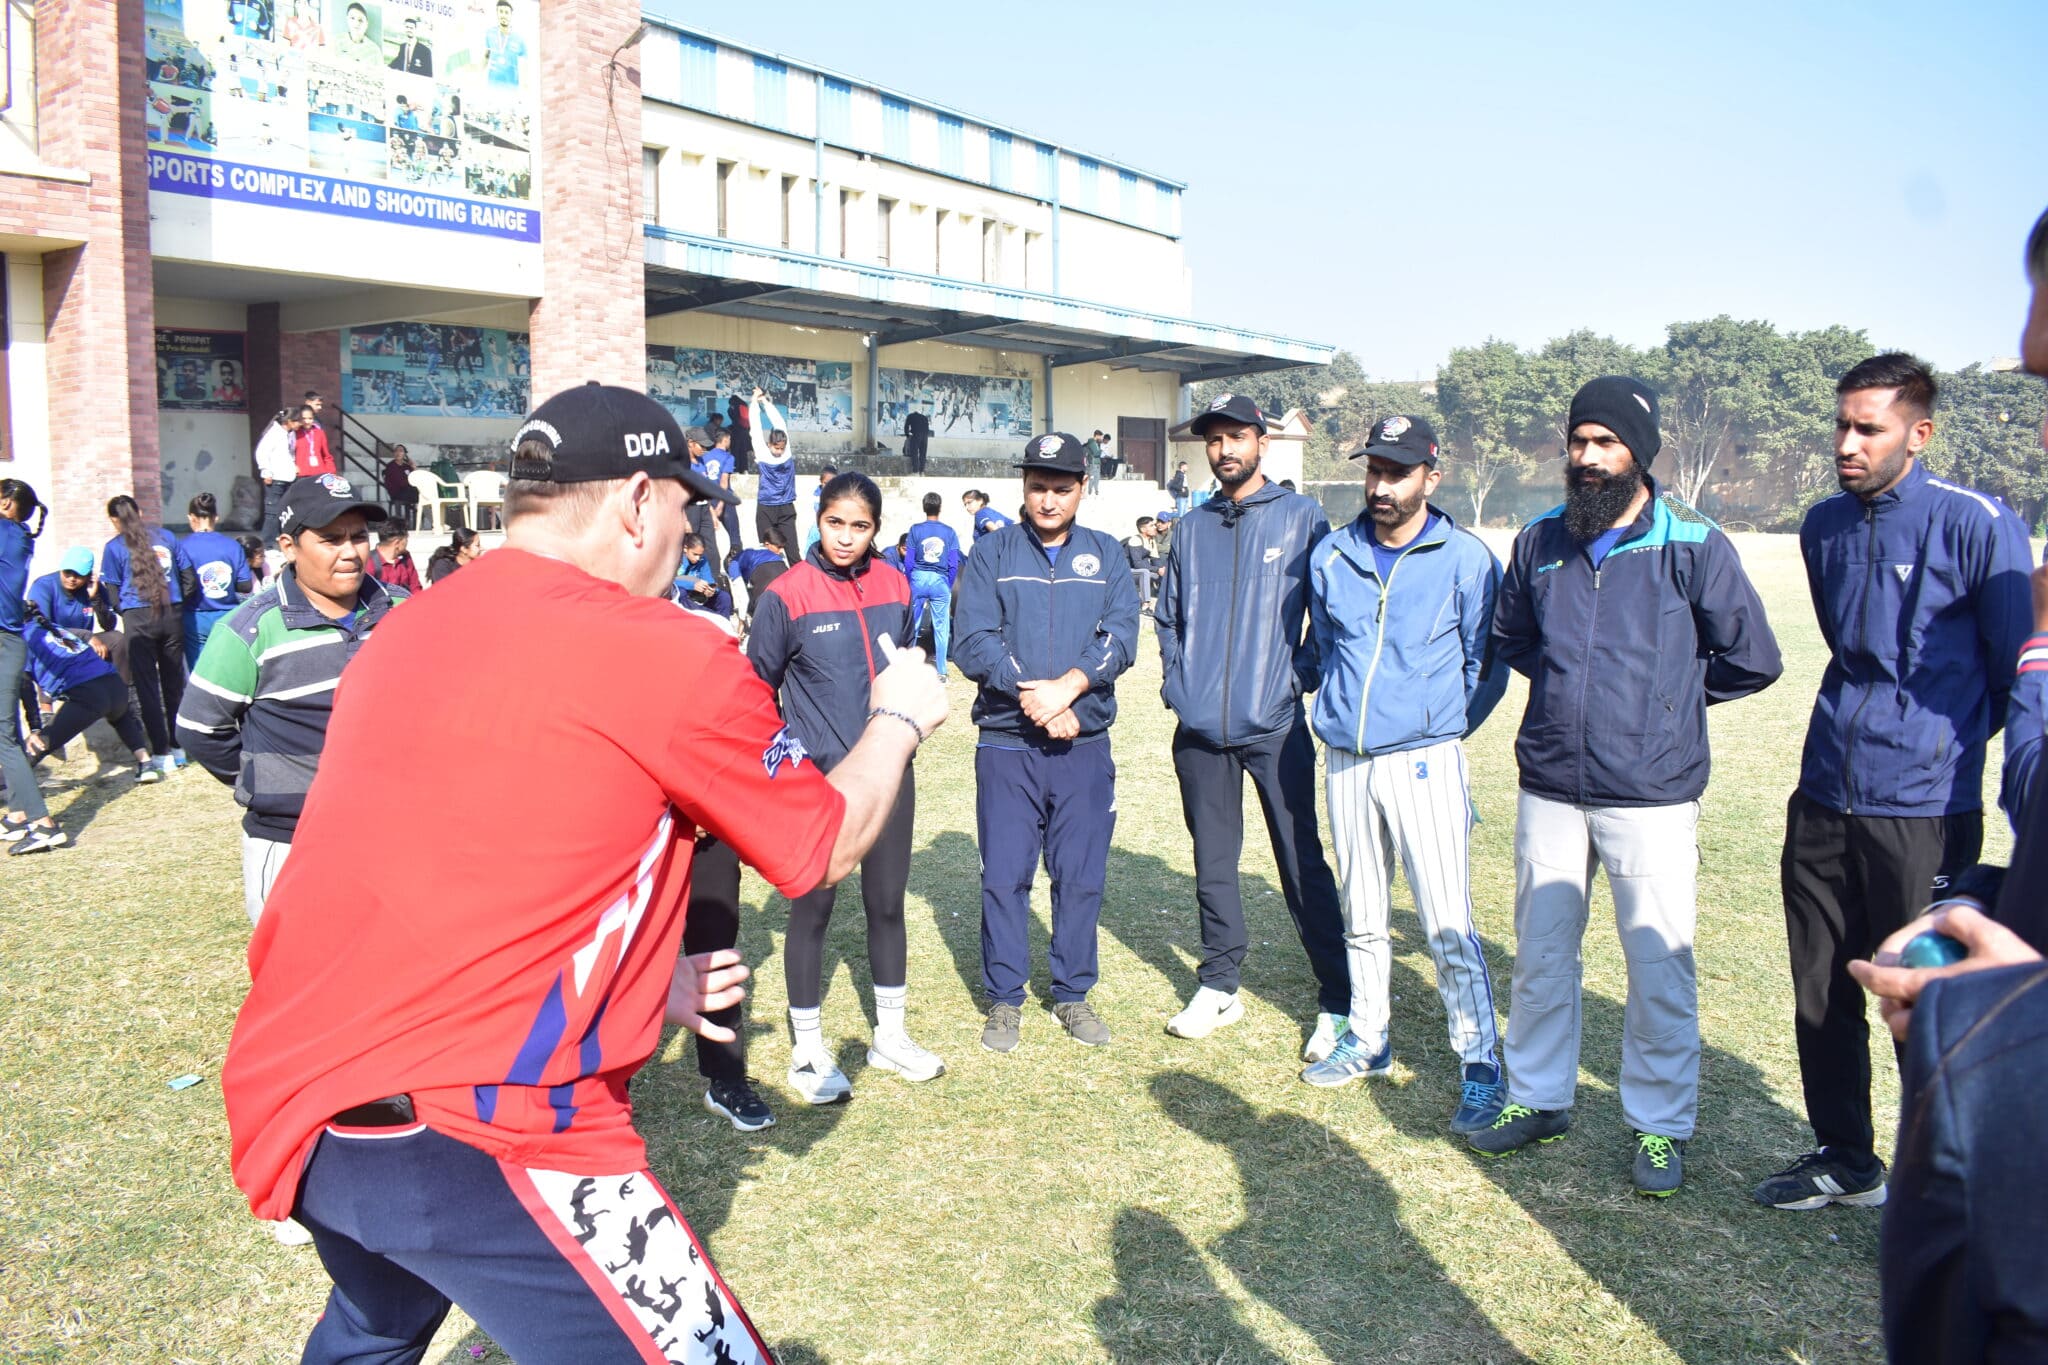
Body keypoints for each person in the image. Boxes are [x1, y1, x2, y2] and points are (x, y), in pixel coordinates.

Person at [220, 383, 946, 1365]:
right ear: (638, 502)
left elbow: (475, 852)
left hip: (306, 1101)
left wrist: (635, 980)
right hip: (481, 1125)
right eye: (686, 512)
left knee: (374, 1327)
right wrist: (896, 717)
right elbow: (820, 844)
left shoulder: (404, 630)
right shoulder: (665, 652)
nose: (688, 537)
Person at [1475, 376, 1783, 1198]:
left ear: (1639, 453)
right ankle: (1537, 1096)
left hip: (1651, 791)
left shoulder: (1694, 542)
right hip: (1550, 782)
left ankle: (1659, 1123)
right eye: (1579, 440)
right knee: (1541, 956)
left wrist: (1665, 706)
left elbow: (1753, 658)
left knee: (1657, 967)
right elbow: (1514, 637)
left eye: (1606, 442)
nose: (1587, 456)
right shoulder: (1540, 540)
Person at [1754, 353, 2031, 1213]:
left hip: (1926, 807)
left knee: (1927, 993)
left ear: (1920, 434)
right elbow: (1845, 646)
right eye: (1841, 424)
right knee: (1822, 985)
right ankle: (1846, 1156)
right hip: (1824, 791)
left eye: (1868, 428)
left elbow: (2010, 672)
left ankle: (1943, 1181)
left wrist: (1932, 749)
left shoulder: (1979, 523)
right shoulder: (1823, 526)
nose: (1847, 442)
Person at [1302, 415, 1509, 1131]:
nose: (1381, 486)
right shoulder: (1332, 553)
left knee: (1447, 922)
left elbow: (1486, 664)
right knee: (1362, 912)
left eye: (1397, 473)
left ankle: (1480, 1060)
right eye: (1374, 471)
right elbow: (1325, 649)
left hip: (1425, 759)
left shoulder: (1467, 559)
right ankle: (1368, 1037)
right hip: (1346, 758)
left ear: (1431, 477)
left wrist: (1437, 727)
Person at [1153, 393, 1351, 1057]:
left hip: (1275, 725)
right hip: (1201, 730)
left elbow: (1327, 617)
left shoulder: (1302, 517)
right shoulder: (1190, 526)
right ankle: (1219, 984)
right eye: (1215, 439)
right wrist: (1180, 685)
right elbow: (1168, 617)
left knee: (1301, 861)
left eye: (1237, 436)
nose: (1225, 449)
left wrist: (1294, 680)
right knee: (1213, 862)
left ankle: (1338, 998)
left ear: (1261, 442)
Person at [749, 471, 942, 1101]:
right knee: (813, 910)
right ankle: (808, 1051)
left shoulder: (896, 584)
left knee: (887, 905)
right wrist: (785, 769)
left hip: (889, 775)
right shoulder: (786, 595)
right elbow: (753, 695)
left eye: (860, 526)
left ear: (876, 530)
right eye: (835, 523)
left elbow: (913, 663)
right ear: (817, 519)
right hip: (818, 784)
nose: (845, 537)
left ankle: (891, 1037)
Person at [953, 432, 1140, 1052]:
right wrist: (1035, 698)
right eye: (1038, 487)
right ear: (1024, 487)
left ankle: (1072, 992)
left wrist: (1068, 689)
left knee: (1079, 875)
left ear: (1083, 487)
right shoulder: (991, 552)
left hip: (1083, 744)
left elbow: (1121, 635)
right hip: (1008, 742)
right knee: (1005, 875)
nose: (1049, 500)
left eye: (1062, 488)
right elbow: (973, 640)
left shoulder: (1107, 553)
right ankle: (1005, 999)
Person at [180, 475, 404, 926]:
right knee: (298, 963)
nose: (350, 552)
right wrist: (270, 781)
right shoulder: (249, 630)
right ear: (289, 546)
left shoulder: (404, 611)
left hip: (393, 835)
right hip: (290, 841)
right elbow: (200, 728)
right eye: (330, 539)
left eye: (358, 537)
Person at [100, 493, 197, 779]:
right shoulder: (167, 537)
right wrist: (176, 603)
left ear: (114, 520)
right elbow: (189, 579)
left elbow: (112, 593)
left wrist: (128, 612)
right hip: (172, 614)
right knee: (174, 684)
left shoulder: (113, 547)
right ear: (140, 513)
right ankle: (179, 748)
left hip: (138, 618)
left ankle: (161, 753)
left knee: (147, 688)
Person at [20, 601, 155, 794]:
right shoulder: (50, 627)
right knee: (121, 717)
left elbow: (25, 688)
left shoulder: (21, 641)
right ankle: (146, 763)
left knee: (40, 743)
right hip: (114, 683)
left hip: (89, 694)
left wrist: (35, 727)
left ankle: (6, 782)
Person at [0, 479, 62, 850]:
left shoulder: (6, 532)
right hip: (9, 643)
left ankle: (44, 824)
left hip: (3, 643)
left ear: (6, 503)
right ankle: (18, 814)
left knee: (4, 738)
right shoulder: (17, 535)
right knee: (6, 733)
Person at [182, 492, 254, 672]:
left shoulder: (182, 546)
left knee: (199, 672)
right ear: (216, 517)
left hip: (195, 617)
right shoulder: (233, 546)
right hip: (228, 616)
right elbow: (245, 585)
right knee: (229, 671)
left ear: (191, 518)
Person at [906, 492, 961, 679]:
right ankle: (942, 671)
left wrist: (911, 581)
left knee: (912, 625)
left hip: (918, 578)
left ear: (924, 507)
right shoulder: (949, 532)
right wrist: (948, 583)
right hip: (940, 580)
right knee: (941, 627)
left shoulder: (915, 529)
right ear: (940, 508)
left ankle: (908, 667)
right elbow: (954, 563)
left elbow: (909, 562)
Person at [749, 386, 799, 565]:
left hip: (786, 507)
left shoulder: (787, 452)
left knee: (793, 551)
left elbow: (779, 422)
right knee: (768, 552)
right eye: (776, 448)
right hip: (766, 508)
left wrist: (765, 401)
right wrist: (754, 402)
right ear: (769, 443)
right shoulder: (762, 452)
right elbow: (755, 427)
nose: (779, 451)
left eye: (782, 448)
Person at [28, 546, 98, 633]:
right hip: (52, 639)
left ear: (88, 576)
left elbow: (108, 624)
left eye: (79, 574)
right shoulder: (43, 586)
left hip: (83, 639)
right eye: (67, 572)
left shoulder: (92, 586)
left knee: (113, 637)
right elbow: (40, 627)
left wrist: (95, 599)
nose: (72, 578)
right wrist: (85, 636)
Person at [256, 409, 298, 539]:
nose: (300, 424)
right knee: (272, 512)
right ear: (289, 421)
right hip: (276, 478)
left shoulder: (289, 434)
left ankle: (280, 538)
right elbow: (261, 452)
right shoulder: (274, 433)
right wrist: (266, 471)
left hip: (287, 477)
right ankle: (268, 543)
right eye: (298, 421)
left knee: (285, 512)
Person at [673, 533, 731, 617]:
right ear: (685, 548)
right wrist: (692, 585)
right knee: (681, 593)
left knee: (724, 597)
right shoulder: (675, 559)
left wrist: (711, 590)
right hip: (681, 599)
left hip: (699, 598)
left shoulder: (703, 560)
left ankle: (723, 622)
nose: (698, 558)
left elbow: (708, 579)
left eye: (700, 555)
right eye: (695, 554)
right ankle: (712, 617)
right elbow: (669, 581)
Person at [364, 525, 422, 593]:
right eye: (406, 538)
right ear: (397, 543)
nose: (407, 542)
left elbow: (415, 587)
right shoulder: (370, 562)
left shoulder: (405, 557)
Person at [1122, 516, 1161, 611]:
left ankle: (1164, 602)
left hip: (1139, 571)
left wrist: (1162, 570)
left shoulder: (1151, 540)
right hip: (1126, 571)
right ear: (1143, 529)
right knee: (1144, 572)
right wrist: (1157, 569)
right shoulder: (1135, 540)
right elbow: (1137, 564)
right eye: (1151, 526)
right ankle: (1145, 604)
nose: (1155, 527)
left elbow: (1156, 560)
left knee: (1163, 574)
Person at [482, 0, 523, 85]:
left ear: (511, 14)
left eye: (506, 12)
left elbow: (525, 64)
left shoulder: (518, 37)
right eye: (501, 11)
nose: (503, 15)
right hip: (492, 83)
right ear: (497, 13)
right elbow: (486, 56)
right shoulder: (490, 33)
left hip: (511, 85)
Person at [292, 402, 336, 479]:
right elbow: (290, 454)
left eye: (310, 418)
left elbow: (326, 455)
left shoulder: (319, 433)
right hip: (301, 474)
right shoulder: (295, 433)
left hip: (319, 473)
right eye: (304, 418)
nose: (307, 421)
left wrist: (331, 472)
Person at [382, 445, 420, 528]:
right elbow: (399, 482)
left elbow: (416, 479)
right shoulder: (391, 466)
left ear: (404, 454)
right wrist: (409, 481)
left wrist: (414, 468)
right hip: (396, 492)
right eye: (396, 451)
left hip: (408, 491)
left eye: (401, 451)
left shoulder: (406, 466)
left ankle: (428, 520)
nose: (398, 453)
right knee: (418, 495)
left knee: (423, 494)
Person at [903, 406, 931, 474]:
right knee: (923, 454)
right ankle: (922, 472)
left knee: (914, 453)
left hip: (916, 436)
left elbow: (906, 427)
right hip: (925, 437)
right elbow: (927, 429)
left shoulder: (910, 416)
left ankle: (916, 471)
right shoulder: (924, 417)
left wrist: (907, 435)